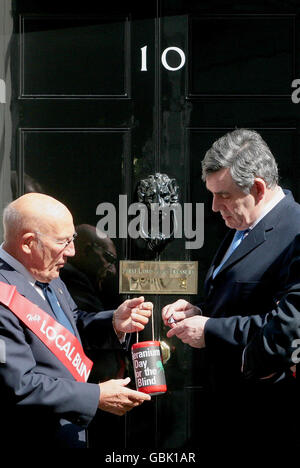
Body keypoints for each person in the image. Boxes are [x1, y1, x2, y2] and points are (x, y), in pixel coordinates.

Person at [162, 128, 300, 443]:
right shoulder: (243, 224)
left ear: (258, 188)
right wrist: (199, 310)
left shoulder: (295, 232)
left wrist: (209, 329)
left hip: (265, 418)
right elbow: (243, 297)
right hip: (222, 409)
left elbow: (289, 330)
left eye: (223, 195)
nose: (213, 206)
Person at [0, 193, 152, 448]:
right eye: (63, 242)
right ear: (28, 243)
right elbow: (18, 385)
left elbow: (71, 322)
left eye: (72, 239)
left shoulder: (47, 271)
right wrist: (96, 396)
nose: (71, 251)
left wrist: (113, 322)